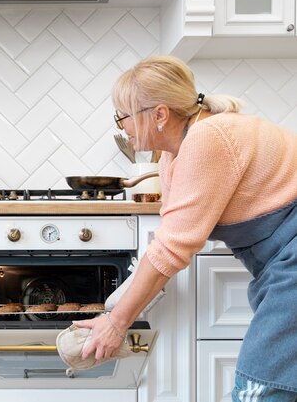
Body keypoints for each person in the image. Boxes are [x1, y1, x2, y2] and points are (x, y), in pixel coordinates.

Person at [73, 55, 297, 401]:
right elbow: (171, 241)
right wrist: (117, 313)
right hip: (277, 264)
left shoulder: (208, 138)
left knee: (260, 388)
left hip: (291, 258)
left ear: (160, 114)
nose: (121, 126)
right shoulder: (174, 155)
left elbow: (171, 249)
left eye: (124, 115)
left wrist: (117, 323)